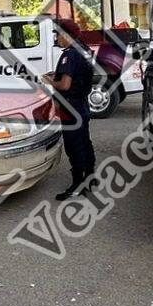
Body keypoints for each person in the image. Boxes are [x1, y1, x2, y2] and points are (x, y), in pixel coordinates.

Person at [44, 22, 96, 200]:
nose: (57, 38)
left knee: (74, 146)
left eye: (58, 35)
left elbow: (65, 85)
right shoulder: (84, 49)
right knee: (84, 142)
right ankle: (90, 177)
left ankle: (78, 185)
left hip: (71, 106)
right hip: (81, 104)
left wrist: (50, 81)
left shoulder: (71, 54)